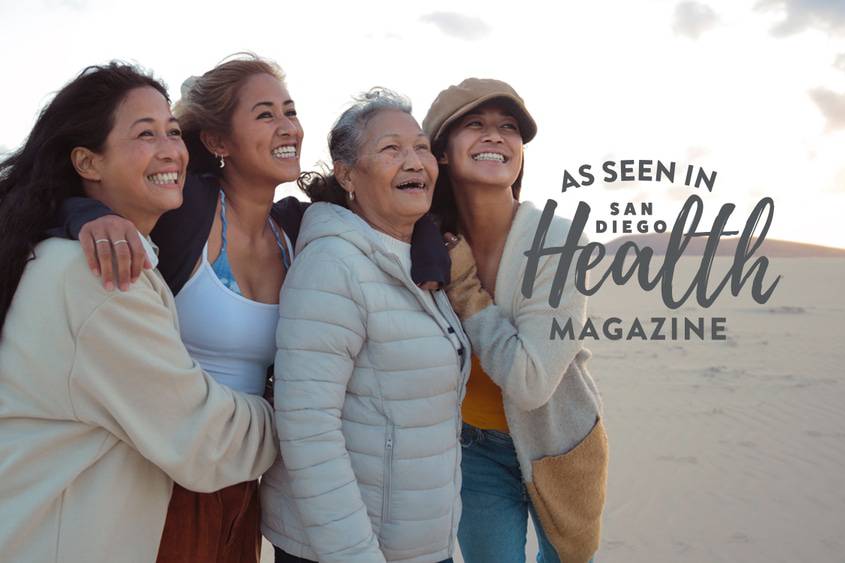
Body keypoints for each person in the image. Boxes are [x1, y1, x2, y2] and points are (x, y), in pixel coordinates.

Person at [57, 55, 450, 563]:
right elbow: (58, 195)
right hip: (155, 473)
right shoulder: (186, 213)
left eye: (290, 111)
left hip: (242, 481)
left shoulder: (295, 231)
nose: (288, 127)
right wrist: (86, 214)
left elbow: (399, 215)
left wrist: (434, 258)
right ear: (219, 142)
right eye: (265, 115)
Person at [0, 63, 278, 563]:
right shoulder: (101, 276)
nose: (171, 148)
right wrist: (300, 417)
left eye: (172, 131)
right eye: (145, 134)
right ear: (88, 162)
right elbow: (204, 442)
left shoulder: (69, 254)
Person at [261, 88, 470, 563]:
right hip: (346, 547)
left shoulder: (422, 260)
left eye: (420, 147)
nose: (414, 161)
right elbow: (308, 428)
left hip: (415, 542)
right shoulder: (333, 264)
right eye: (391, 149)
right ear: (347, 173)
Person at [423, 78, 609, 563]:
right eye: (474, 124)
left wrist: (465, 288)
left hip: (562, 445)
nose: (495, 136)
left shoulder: (559, 243)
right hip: (471, 447)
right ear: (441, 151)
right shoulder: (424, 245)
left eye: (508, 127)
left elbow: (530, 382)